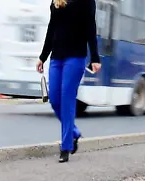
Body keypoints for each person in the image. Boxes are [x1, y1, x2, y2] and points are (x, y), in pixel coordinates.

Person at [37, 0, 101, 163]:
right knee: (54, 99)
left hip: (75, 57)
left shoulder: (87, 2)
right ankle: (74, 132)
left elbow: (90, 28)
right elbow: (52, 28)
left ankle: (66, 147)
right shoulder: (57, 1)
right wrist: (43, 57)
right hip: (56, 57)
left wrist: (95, 57)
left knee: (67, 99)